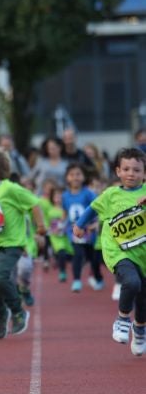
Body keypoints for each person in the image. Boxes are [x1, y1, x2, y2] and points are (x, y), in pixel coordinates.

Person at [72, 148, 146, 355]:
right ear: (118, 171)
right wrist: (79, 224)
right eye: (126, 169)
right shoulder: (111, 195)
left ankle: (139, 329)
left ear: (144, 173)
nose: (131, 173)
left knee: (143, 299)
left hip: (142, 252)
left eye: (137, 170)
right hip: (117, 250)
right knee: (132, 282)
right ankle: (122, 318)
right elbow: (93, 209)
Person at [0, 147, 47, 339]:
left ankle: (18, 311)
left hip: (12, 243)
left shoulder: (9, 188)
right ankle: (0, 315)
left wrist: (40, 226)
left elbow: (34, 202)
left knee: (0, 278)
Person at [62, 163, 103, 292]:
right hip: (74, 231)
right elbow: (65, 212)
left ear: (84, 177)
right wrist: (62, 225)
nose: (75, 177)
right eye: (72, 175)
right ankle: (77, 280)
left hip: (89, 232)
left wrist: (95, 224)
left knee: (93, 259)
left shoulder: (89, 194)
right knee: (78, 254)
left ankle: (98, 277)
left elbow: (99, 209)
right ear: (67, 178)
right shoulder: (65, 196)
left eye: (78, 174)